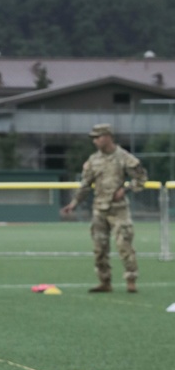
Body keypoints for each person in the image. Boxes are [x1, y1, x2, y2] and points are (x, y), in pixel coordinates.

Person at [60, 123, 146, 293]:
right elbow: (85, 184)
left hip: (119, 209)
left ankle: (131, 279)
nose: (95, 141)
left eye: (98, 137)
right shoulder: (93, 160)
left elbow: (141, 177)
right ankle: (104, 281)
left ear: (108, 137)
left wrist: (126, 189)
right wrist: (74, 203)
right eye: (94, 138)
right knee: (99, 248)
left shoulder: (124, 157)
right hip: (99, 209)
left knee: (124, 245)